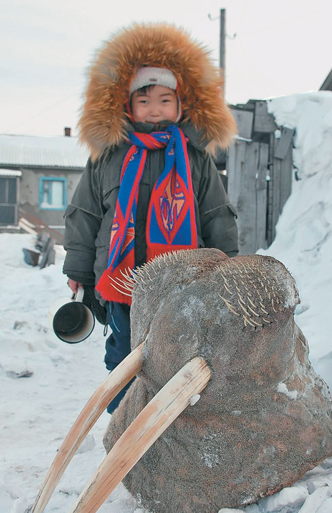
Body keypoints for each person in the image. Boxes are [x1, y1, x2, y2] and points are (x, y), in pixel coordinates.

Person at [62, 22, 239, 412]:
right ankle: (124, 426)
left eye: (165, 100)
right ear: (127, 106)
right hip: (122, 282)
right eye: (144, 101)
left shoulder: (195, 158)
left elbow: (216, 214)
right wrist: (78, 269)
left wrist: (228, 266)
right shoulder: (109, 157)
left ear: (181, 105)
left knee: (178, 355)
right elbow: (84, 214)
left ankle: (169, 428)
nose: (155, 109)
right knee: (124, 358)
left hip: (181, 283)